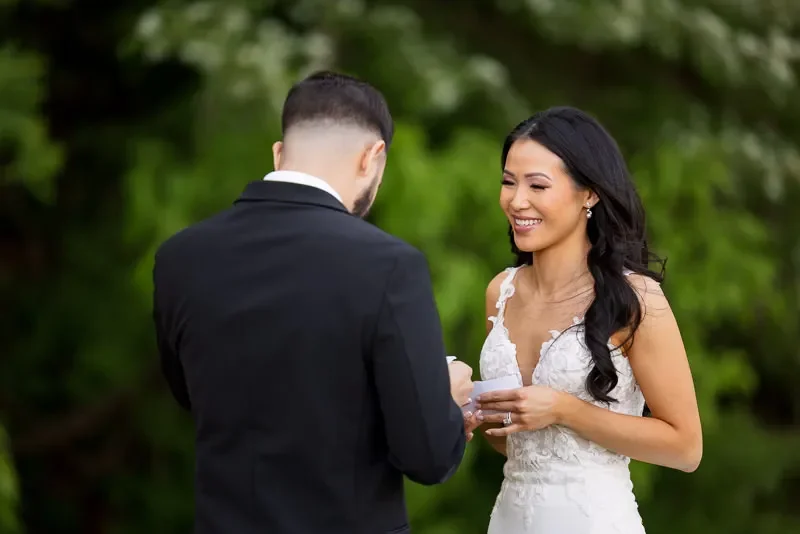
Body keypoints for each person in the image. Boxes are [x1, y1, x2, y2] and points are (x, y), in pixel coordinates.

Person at [152, 71, 474, 534]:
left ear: (279, 153)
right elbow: (426, 457)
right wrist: (445, 399)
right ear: (373, 157)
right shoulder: (389, 265)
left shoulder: (180, 257)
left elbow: (189, 394)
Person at [471, 107, 703, 533]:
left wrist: (565, 409)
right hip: (510, 518)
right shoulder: (500, 291)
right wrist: (481, 419)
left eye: (537, 185)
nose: (516, 200)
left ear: (589, 194)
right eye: (508, 182)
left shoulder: (635, 299)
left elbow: (686, 448)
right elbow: (518, 445)